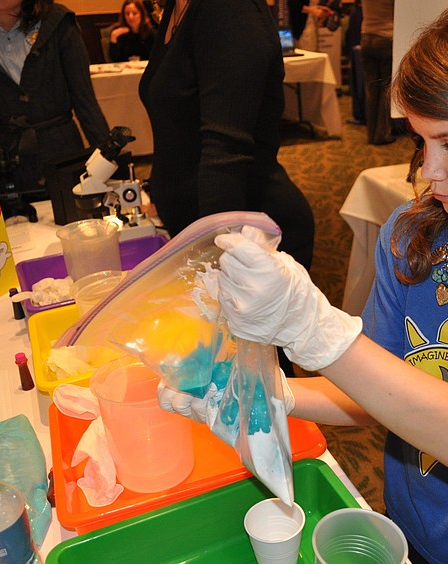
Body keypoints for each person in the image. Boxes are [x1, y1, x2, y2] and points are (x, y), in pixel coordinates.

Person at [159, 1, 448, 562]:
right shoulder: (412, 234)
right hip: (413, 523)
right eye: (421, 142)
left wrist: (313, 331)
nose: (429, 173)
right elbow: (376, 386)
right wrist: (272, 395)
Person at [139, 0, 315, 376]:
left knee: (260, 394)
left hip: (244, 239)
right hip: (208, 234)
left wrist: (217, 260)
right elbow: (181, 131)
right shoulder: (177, 7)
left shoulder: (228, 9)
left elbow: (226, 152)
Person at [0, 0, 110, 221]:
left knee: (77, 236)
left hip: (63, 160)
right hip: (3, 166)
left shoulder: (57, 21)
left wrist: (111, 169)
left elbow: (86, 105)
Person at [360, 0, 395, 145]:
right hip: (386, 37)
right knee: (385, 89)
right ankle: (382, 134)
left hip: (366, 36)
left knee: (371, 90)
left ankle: (371, 133)